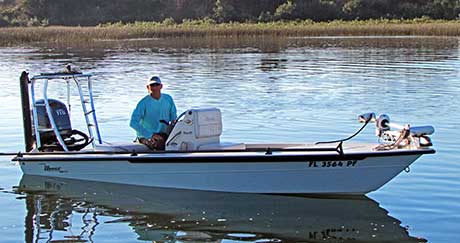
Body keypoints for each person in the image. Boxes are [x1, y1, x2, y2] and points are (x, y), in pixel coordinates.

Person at [130, 75, 177, 150]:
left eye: (157, 85)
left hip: (163, 134)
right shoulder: (143, 103)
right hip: (146, 136)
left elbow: (174, 118)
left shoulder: (168, 99)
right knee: (159, 144)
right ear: (148, 87)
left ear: (161, 86)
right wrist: (150, 135)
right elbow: (133, 123)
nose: (154, 87)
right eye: (152, 85)